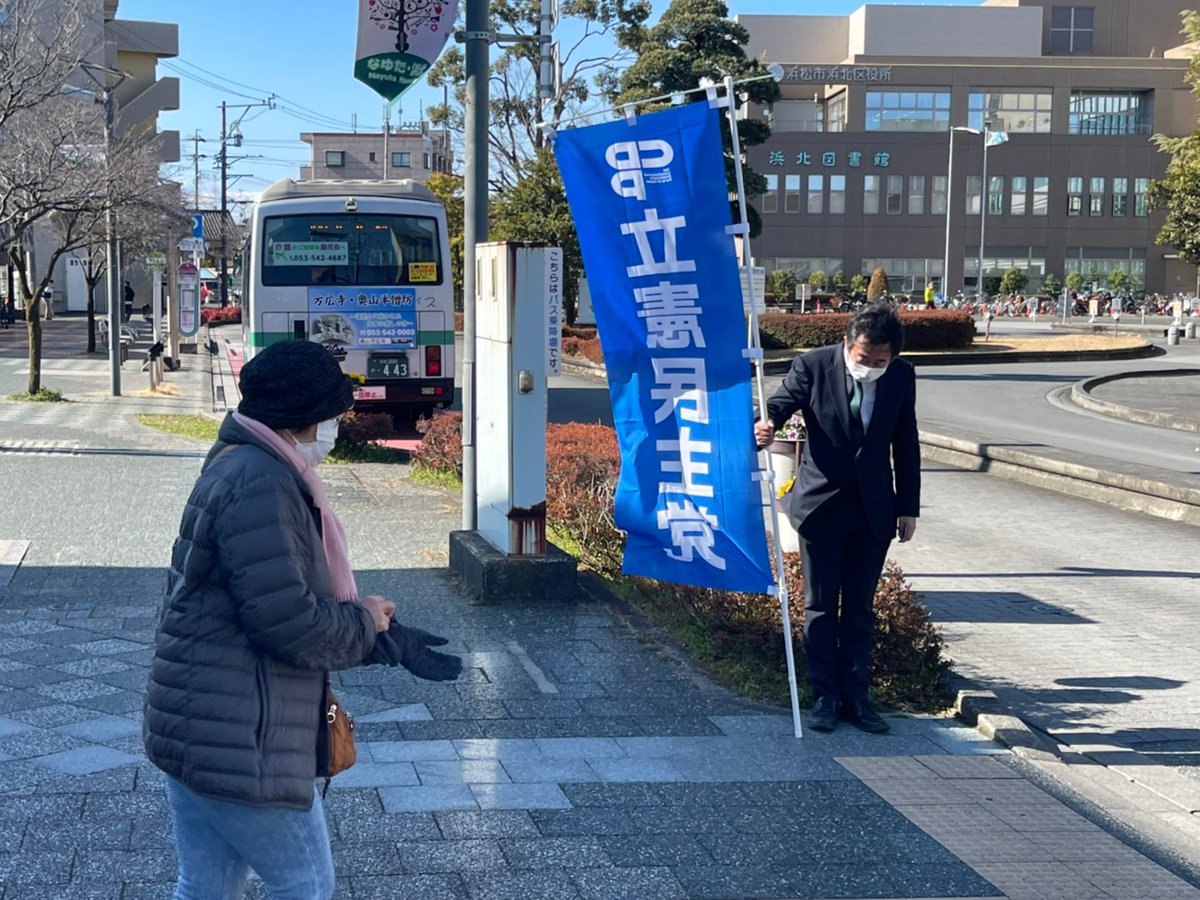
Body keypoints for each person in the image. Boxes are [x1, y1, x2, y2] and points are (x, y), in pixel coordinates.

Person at [144, 339, 460, 899]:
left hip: (199, 721)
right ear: (302, 419)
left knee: (208, 886)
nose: (336, 428)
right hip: (241, 737)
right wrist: (365, 624)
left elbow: (262, 599)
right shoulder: (261, 482)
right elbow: (288, 621)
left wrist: (376, 632)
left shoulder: (241, 459)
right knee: (305, 884)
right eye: (332, 417)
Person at [754, 303, 920, 734]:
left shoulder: (901, 376)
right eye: (864, 358)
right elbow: (779, 405)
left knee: (860, 609)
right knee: (821, 606)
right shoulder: (813, 366)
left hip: (874, 509)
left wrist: (908, 506)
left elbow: (906, 441)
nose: (871, 367)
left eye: (881, 361)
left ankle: (857, 698)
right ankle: (824, 697)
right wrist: (766, 424)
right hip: (821, 507)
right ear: (847, 344)